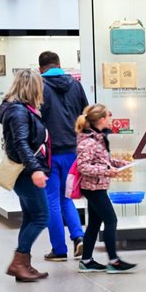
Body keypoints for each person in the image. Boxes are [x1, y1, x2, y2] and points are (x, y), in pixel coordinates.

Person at [0, 69, 51, 282]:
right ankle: (18, 262)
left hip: (23, 172)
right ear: (32, 87)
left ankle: (24, 264)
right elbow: (21, 143)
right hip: (26, 173)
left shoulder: (18, 109)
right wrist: (35, 169)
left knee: (30, 216)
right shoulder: (19, 111)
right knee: (41, 217)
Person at [39, 50, 88, 261]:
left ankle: (59, 250)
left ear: (40, 68)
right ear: (59, 64)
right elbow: (85, 113)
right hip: (72, 151)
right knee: (67, 197)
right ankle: (79, 238)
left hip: (49, 153)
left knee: (51, 201)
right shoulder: (75, 85)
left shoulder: (39, 86)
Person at [75, 104, 137, 273]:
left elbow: (103, 160)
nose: (110, 119)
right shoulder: (89, 142)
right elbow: (83, 166)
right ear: (102, 119)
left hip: (97, 186)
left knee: (94, 224)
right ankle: (114, 261)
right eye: (108, 116)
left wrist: (122, 163)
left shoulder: (98, 138)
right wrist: (106, 172)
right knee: (111, 220)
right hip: (93, 188)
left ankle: (86, 261)